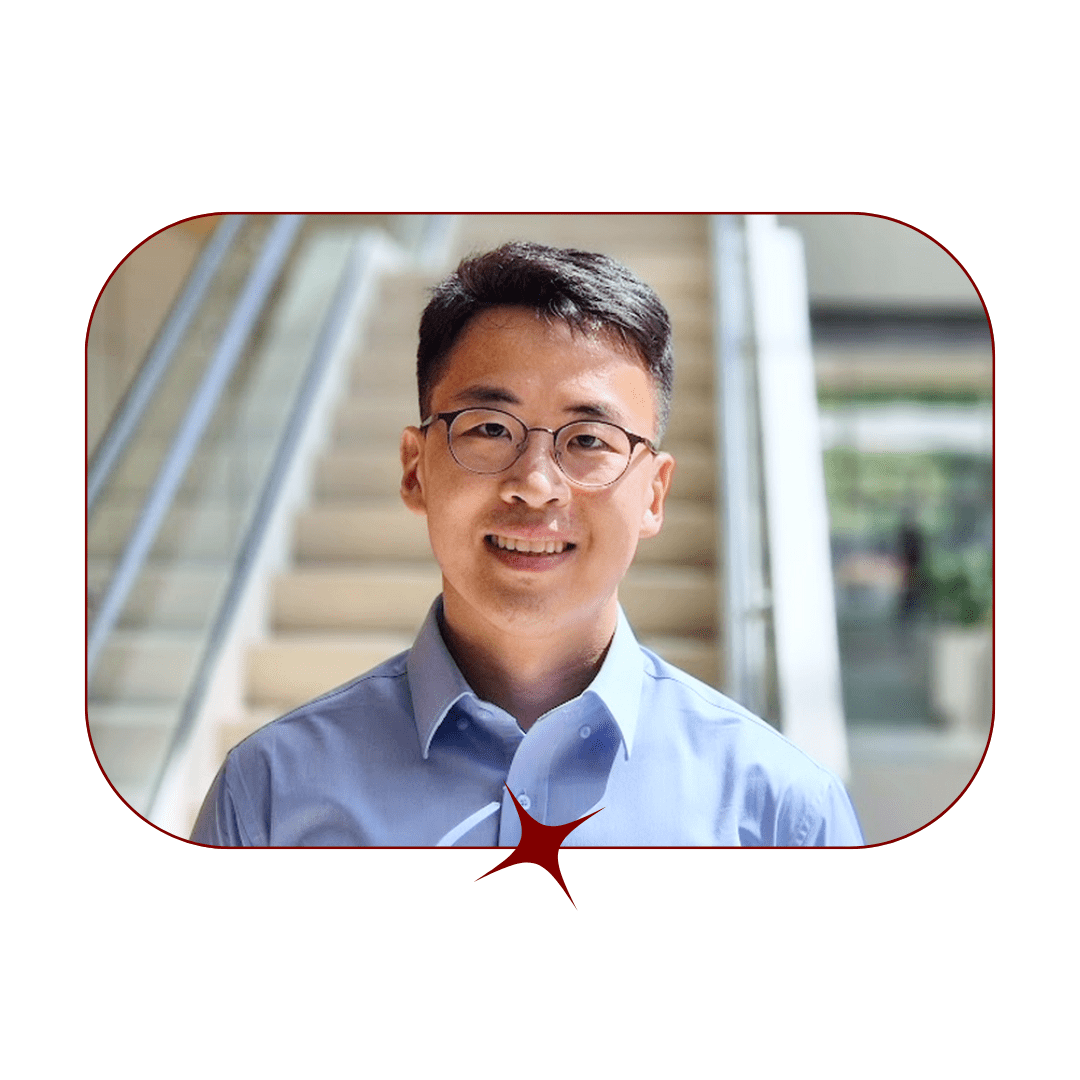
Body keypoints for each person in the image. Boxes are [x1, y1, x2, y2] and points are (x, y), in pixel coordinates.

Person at [191, 242, 864, 847]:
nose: (536, 486)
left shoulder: (783, 815)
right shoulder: (270, 797)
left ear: (654, 494)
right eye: (490, 428)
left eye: (589, 440)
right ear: (415, 467)